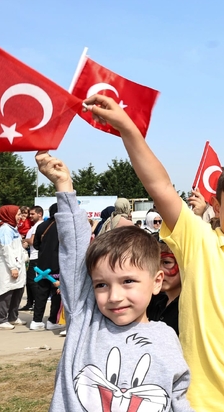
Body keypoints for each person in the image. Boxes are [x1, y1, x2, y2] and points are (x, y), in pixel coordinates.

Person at [82, 93, 224, 411]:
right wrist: (127, 127)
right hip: (194, 403)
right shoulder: (199, 242)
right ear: (216, 206)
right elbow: (160, 186)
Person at [35, 151, 193, 411]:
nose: (115, 296)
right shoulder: (85, 320)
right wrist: (64, 186)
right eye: (101, 284)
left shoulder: (166, 337)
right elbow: (74, 251)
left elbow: (177, 398)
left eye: (128, 281)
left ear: (156, 282)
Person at [0, 205, 27, 329]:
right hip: (8, 266)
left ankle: (12, 317)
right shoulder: (5, 230)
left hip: (18, 264)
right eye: (18, 214)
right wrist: (12, 267)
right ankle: (1, 320)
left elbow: (17, 248)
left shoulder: (14, 229)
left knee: (17, 290)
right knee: (6, 292)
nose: (20, 217)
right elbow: (7, 251)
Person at [32, 204, 63, 331]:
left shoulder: (41, 226)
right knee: (57, 294)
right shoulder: (62, 227)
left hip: (42, 265)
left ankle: (36, 320)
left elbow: (36, 244)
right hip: (57, 265)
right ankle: (52, 320)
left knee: (41, 293)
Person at [146, 233, 181, 334]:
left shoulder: (189, 306)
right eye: (154, 263)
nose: (159, 271)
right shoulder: (151, 301)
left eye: (166, 262)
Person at [21, 206, 44, 311]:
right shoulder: (34, 226)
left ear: (39, 214)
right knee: (29, 281)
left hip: (36, 257)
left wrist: (23, 239)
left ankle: (37, 303)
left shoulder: (39, 226)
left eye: (32, 214)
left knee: (33, 281)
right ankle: (30, 303)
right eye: (29, 214)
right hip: (32, 256)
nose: (30, 216)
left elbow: (33, 241)